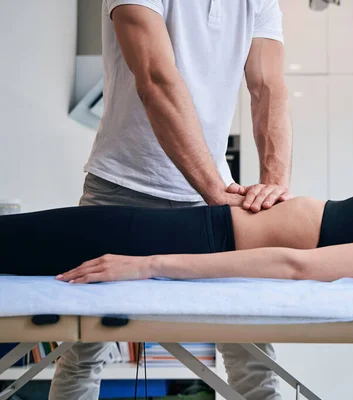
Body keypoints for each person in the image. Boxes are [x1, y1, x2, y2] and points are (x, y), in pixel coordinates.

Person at [47, 1, 293, 399]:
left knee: (250, 349)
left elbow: (268, 87)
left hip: (212, 196)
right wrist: (213, 190)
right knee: (85, 348)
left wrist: (275, 188)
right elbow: (155, 78)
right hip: (121, 191)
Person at [0, 176, 353, 284]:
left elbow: (296, 263)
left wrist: (145, 265)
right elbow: (311, 234)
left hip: (182, 240)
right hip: (199, 225)